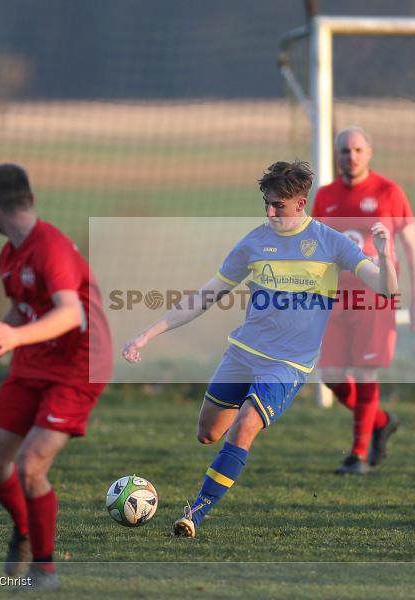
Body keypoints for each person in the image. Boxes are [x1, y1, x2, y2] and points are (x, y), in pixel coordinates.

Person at [122, 161, 397, 538]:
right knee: (207, 433)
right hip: (242, 354)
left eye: (278, 206)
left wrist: (383, 254)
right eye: (266, 204)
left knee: (245, 426)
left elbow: (386, 288)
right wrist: (147, 335)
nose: (270, 212)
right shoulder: (253, 242)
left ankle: (195, 513)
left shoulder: (331, 242)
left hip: (288, 365)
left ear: (300, 203)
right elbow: (205, 296)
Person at [0, 164, 112, 590]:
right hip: (35, 359)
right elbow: (20, 311)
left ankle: (45, 572)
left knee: (31, 465)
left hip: (80, 363)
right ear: (30, 199)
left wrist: (14, 337)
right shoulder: (9, 255)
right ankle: (24, 528)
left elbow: (70, 313)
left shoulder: (51, 248)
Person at [312, 126, 415, 475]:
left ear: (369, 152)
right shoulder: (326, 196)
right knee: (331, 375)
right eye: (345, 151)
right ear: (337, 155)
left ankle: (358, 454)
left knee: (365, 373)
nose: (352, 156)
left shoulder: (389, 192)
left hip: (375, 296)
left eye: (358, 149)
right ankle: (381, 421)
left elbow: (411, 246)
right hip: (335, 297)